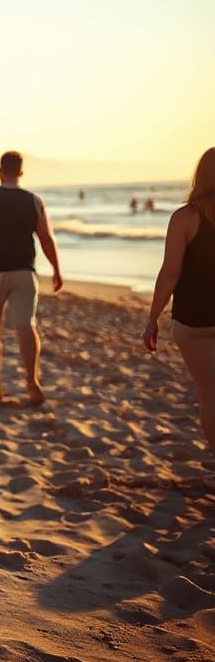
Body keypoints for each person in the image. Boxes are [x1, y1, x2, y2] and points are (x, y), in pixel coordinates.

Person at [0, 152, 62, 405]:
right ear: (21, 173)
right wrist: (57, 269)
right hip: (24, 270)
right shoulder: (34, 201)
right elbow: (46, 238)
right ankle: (32, 381)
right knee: (26, 325)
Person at [144, 148, 215, 450]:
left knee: (209, 392)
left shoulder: (185, 218)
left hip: (193, 321)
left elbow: (170, 273)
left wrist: (152, 319)